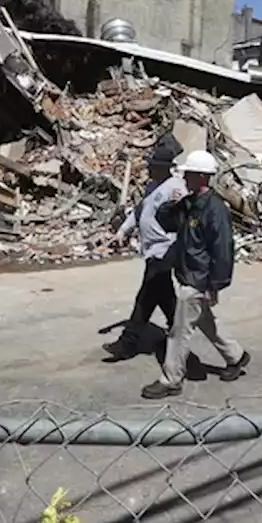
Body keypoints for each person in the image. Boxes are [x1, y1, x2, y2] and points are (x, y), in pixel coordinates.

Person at [141, 149, 250, 400]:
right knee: (205, 321)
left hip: (197, 278)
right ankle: (236, 356)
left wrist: (215, 284)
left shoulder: (215, 209)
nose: (184, 178)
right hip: (187, 273)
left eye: (188, 174)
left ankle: (171, 379)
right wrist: (174, 203)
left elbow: (223, 249)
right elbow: (166, 221)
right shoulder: (189, 204)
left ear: (201, 176)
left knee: (179, 331)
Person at [102, 134, 186, 361]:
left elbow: (185, 218)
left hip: (165, 251)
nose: (148, 170)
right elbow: (140, 212)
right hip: (151, 250)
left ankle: (128, 344)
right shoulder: (152, 187)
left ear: (163, 168)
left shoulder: (176, 188)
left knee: (146, 297)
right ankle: (180, 330)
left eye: (152, 167)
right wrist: (122, 231)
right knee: (165, 297)